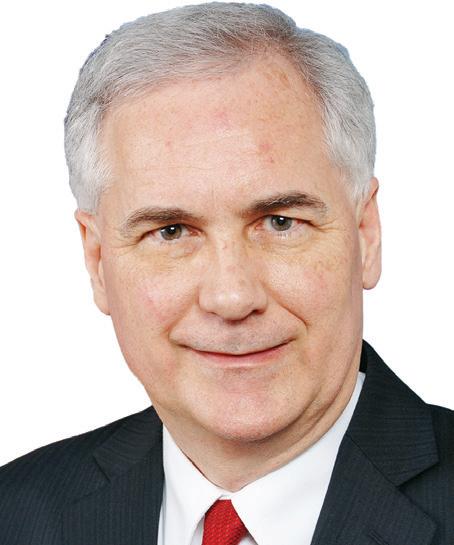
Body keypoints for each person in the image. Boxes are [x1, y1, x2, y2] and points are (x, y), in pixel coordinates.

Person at [0, 3, 452, 544]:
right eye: (171, 231)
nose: (232, 296)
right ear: (97, 261)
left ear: (365, 234)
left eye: (281, 223)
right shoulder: (14, 515)